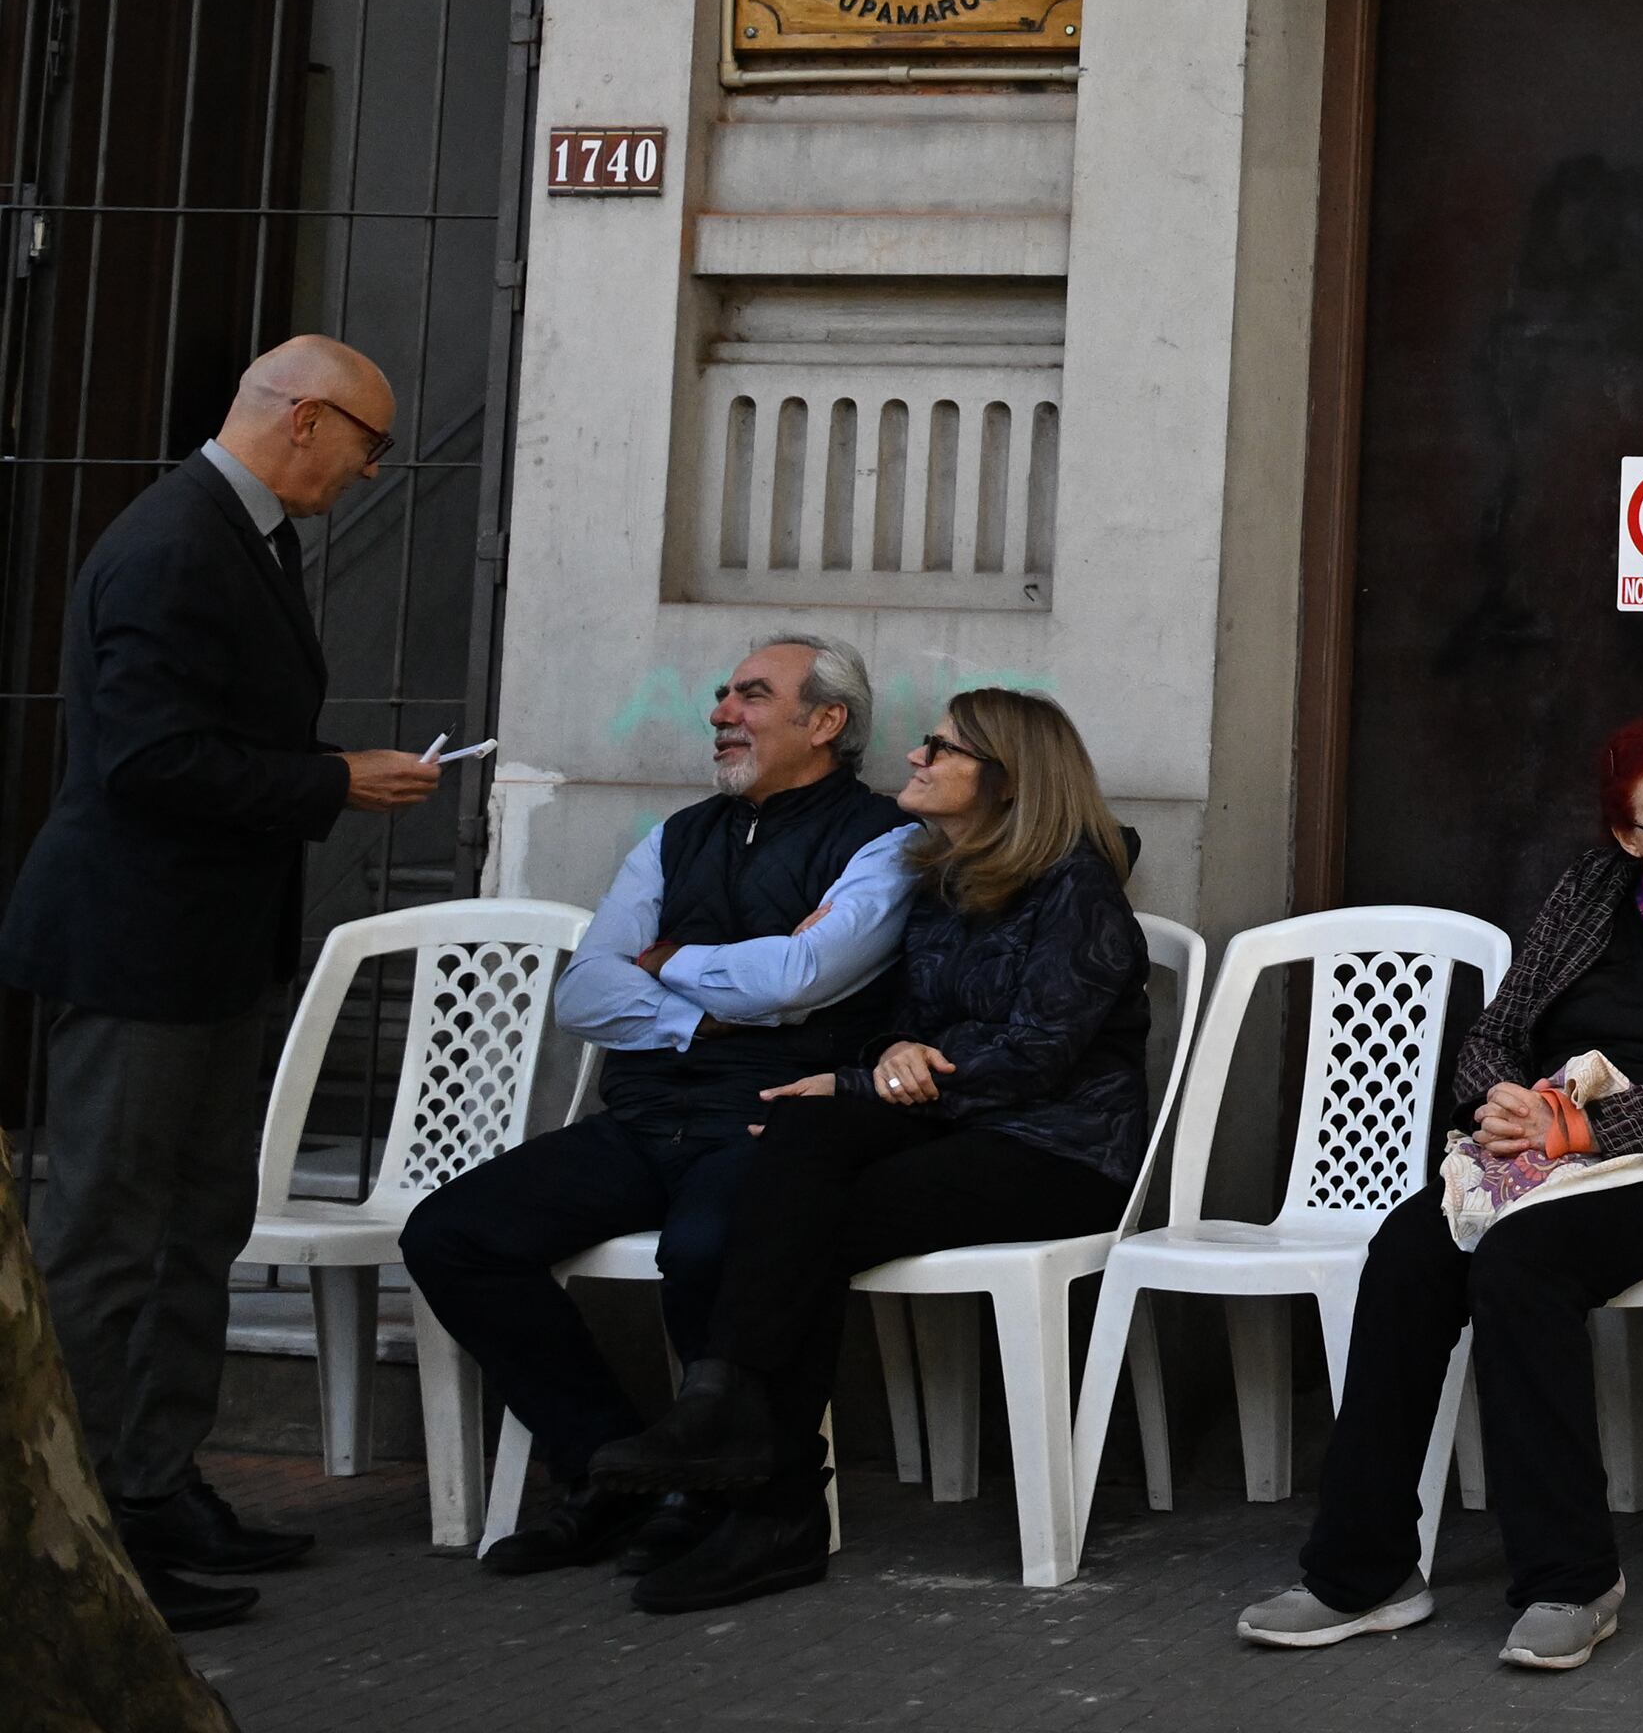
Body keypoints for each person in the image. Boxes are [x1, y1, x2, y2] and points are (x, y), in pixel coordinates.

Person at [0, 336, 446, 1633]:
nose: (369, 474)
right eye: (367, 446)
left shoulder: (242, 535)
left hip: (199, 951)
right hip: (134, 951)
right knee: (108, 1240)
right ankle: (68, 1533)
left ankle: (153, 1487)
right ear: (306, 420)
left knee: (193, 1232)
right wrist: (333, 782)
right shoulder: (175, 543)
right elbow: (148, 761)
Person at [1237, 713, 1643, 1676]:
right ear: (1625, 838)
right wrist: (1501, 1102)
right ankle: (1364, 1571)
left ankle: (1570, 1579)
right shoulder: (1592, 888)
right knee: (1409, 1252)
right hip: (1558, 1149)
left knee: (1524, 1262)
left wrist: (1589, 1131)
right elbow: (1500, 1024)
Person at [579, 687, 1152, 1614]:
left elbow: (1039, 1059)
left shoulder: (1077, 888)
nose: (916, 760)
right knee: (799, 1150)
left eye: (941, 749)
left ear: (1007, 784)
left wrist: (868, 1082)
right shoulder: (942, 880)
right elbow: (902, 1030)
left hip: (1059, 1154)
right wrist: (879, 1059)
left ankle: (766, 1490)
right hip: (955, 1123)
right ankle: (732, 1425)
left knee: (809, 1217)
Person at [402, 635, 916, 1577]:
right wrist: (705, 1022)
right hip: (645, 1115)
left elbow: (805, 974)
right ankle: (604, 1470)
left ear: (826, 722)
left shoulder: (885, 838)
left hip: (772, 1117)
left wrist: (668, 962)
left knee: (708, 1251)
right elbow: (585, 993)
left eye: (753, 697)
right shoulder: (677, 836)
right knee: (452, 1234)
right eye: (723, 695)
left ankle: (712, 1496)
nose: (722, 712)